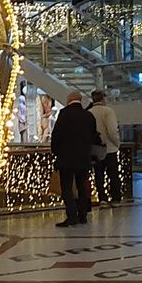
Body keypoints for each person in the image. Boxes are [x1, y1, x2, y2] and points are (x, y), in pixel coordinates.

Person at [51, 90, 98, 226]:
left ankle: (72, 215)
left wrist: (56, 152)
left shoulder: (64, 114)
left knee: (67, 188)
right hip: (83, 158)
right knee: (82, 187)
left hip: (66, 158)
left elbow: (56, 135)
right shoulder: (88, 116)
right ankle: (83, 215)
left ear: (69, 100)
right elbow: (93, 136)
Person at [88, 90, 122, 204]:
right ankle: (115, 198)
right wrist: (117, 143)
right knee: (113, 174)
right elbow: (112, 131)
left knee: (99, 175)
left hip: (95, 149)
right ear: (103, 98)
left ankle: (102, 198)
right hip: (110, 148)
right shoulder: (108, 111)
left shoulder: (89, 112)